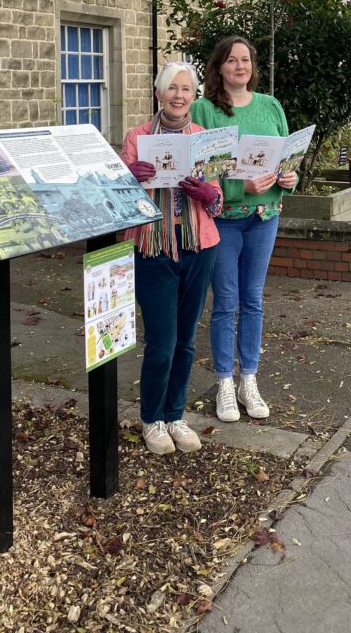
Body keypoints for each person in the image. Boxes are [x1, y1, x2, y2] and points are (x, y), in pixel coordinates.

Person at [191, 36, 297, 423]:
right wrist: (240, 187)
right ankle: (223, 382)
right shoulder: (204, 109)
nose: (241, 66)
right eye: (232, 60)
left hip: (264, 218)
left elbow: (288, 158)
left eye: (246, 59)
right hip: (224, 221)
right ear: (219, 67)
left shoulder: (270, 106)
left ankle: (248, 379)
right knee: (225, 302)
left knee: (253, 300)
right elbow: (199, 171)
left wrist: (290, 178)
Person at [121, 62, 223, 455]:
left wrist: (206, 193)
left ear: (194, 96)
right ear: (159, 93)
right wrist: (131, 175)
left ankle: (175, 414)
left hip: (199, 248)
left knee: (185, 341)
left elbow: (218, 202)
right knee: (161, 341)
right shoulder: (137, 137)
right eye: (172, 88)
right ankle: (152, 419)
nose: (179, 95)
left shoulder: (204, 138)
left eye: (186, 89)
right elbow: (120, 199)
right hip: (152, 248)